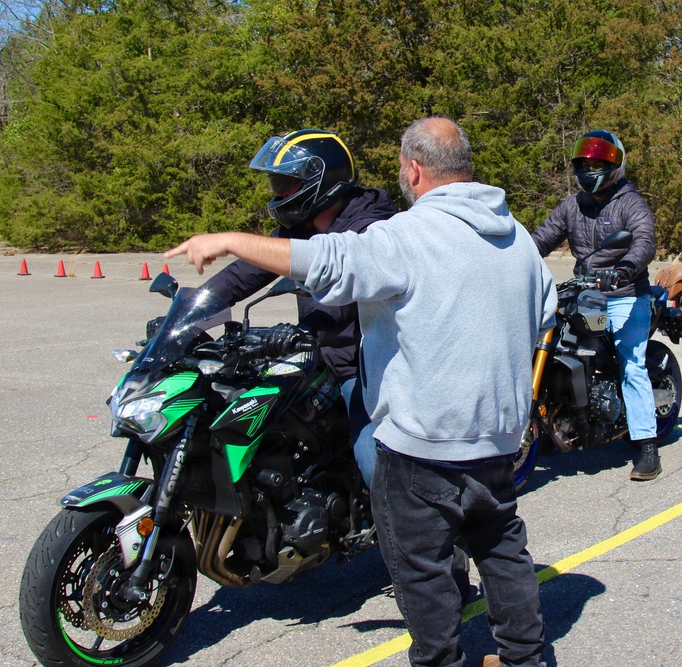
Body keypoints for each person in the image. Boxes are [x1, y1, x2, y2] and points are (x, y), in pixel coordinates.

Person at [166, 116, 555, 667]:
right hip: (493, 437)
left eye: (402, 166)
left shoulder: (399, 234)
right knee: (502, 548)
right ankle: (524, 659)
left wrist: (228, 239)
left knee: (419, 567)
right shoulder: (517, 238)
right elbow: (543, 312)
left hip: (420, 441)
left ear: (415, 169)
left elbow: (329, 260)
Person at [202, 129, 396, 488]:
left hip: (360, 367)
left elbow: (338, 307)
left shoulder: (371, 228)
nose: (279, 194)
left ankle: (415, 535)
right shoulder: (301, 229)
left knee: (373, 457)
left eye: (286, 184)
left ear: (322, 182)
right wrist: (194, 310)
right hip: (316, 360)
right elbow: (245, 271)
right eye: (277, 184)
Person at [530, 129, 662, 482]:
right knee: (551, 340)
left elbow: (644, 241)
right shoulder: (572, 206)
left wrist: (624, 268)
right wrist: (512, 256)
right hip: (584, 290)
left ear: (615, 164)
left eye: (598, 162)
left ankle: (647, 445)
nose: (590, 168)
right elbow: (541, 238)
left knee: (630, 363)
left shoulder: (630, 202)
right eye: (585, 162)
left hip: (625, 293)